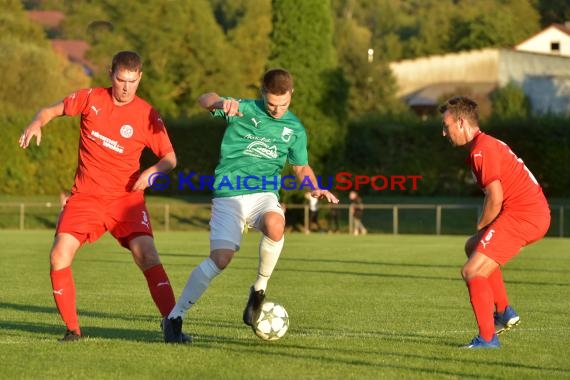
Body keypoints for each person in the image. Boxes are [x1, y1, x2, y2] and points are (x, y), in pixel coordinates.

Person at [163, 68, 339, 343]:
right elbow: (204, 99)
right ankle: (174, 318)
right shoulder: (242, 109)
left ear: (291, 95)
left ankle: (259, 290)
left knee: (276, 223)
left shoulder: (294, 129)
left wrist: (313, 187)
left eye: (283, 104)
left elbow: (301, 166)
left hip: (263, 193)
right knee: (220, 260)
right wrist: (222, 103)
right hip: (228, 193)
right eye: (271, 104)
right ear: (262, 94)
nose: (277, 110)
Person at [18, 51, 182, 342]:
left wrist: (151, 174)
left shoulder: (147, 114)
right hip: (86, 198)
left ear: (140, 78)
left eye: (132, 81)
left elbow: (169, 158)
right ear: (111, 74)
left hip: (126, 199)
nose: (126, 87)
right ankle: (73, 331)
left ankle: (173, 328)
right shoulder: (90, 98)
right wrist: (36, 123)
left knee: (148, 255)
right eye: (121, 80)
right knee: (58, 256)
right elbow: (49, 110)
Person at [439, 96, 550, 349]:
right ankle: (503, 311)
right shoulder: (484, 145)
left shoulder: (482, 148)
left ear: (461, 122)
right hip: (529, 214)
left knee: (471, 271)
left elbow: (495, 197)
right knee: (472, 247)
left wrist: (482, 226)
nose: (443, 132)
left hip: (524, 215)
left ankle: (488, 339)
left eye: (446, 126)